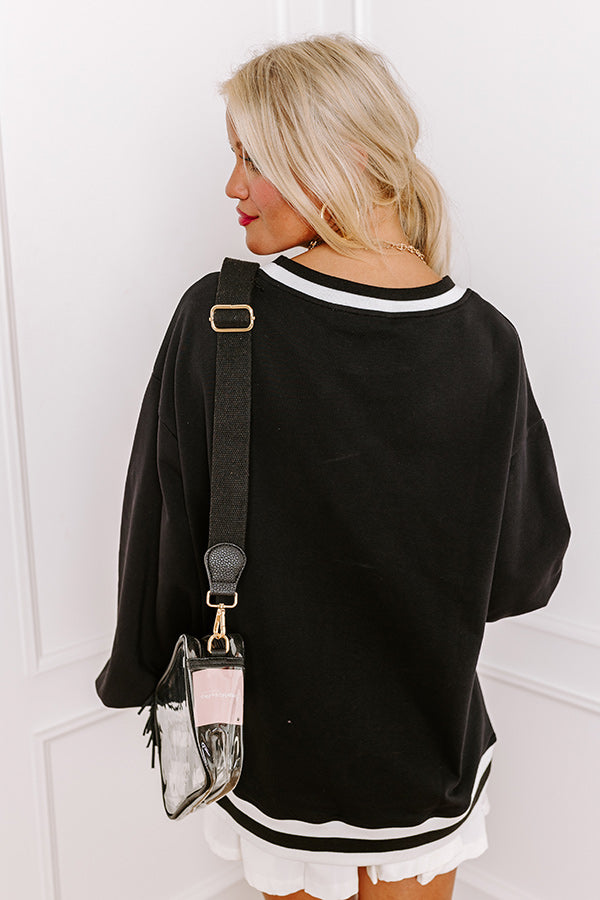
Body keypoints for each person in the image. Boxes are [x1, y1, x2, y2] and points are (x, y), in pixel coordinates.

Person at [96, 34, 571, 900]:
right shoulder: (487, 341)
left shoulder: (222, 319)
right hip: (430, 751)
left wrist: (136, 674)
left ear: (341, 153)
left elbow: (163, 536)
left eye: (252, 156)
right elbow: (522, 574)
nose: (232, 186)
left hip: (279, 763)